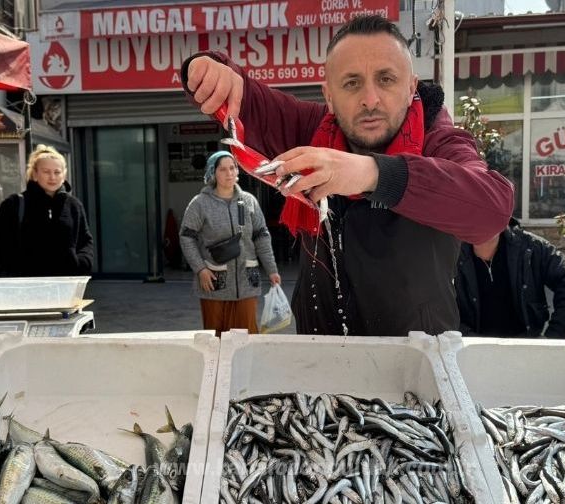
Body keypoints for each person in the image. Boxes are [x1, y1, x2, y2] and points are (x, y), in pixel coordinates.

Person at [182, 15, 513, 336]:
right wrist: (206, 68)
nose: (370, 99)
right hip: (322, 357)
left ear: (412, 86)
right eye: (352, 83)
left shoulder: (439, 139)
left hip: (415, 362)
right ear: (329, 95)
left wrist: (373, 173)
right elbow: (248, 99)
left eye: (386, 79)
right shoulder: (312, 130)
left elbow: (491, 210)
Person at [179, 151, 281, 335]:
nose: (229, 173)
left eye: (233, 168)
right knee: (215, 337)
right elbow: (186, 237)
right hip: (214, 281)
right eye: (223, 169)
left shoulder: (249, 201)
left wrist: (271, 269)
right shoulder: (200, 204)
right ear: (213, 173)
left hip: (247, 280)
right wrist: (200, 269)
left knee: (247, 337)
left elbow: (262, 236)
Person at [455, 218, 565, 338]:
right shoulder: (451, 254)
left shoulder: (530, 247)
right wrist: (462, 335)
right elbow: (437, 302)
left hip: (525, 347)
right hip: (471, 350)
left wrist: (553, 336)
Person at [0, 145, 93, 277]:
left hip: (64, 285)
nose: (52, 177)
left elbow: (85, 242)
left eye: (57, 172)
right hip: (24, 287)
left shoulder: (74, 205)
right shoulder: (14, 204)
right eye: (46, 172)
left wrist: (80, 264)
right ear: (35, 174)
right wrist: (19, 270)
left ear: (64, 174)